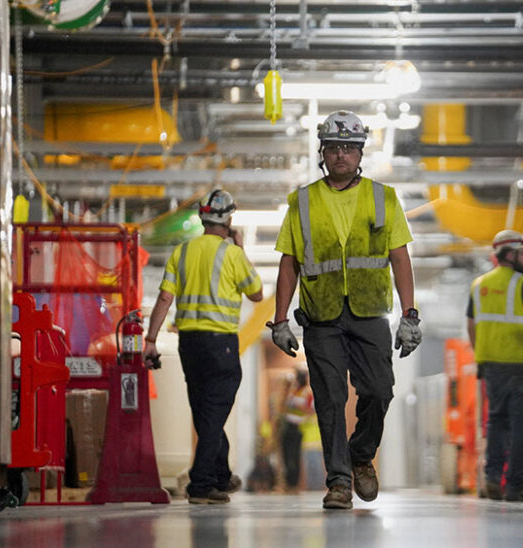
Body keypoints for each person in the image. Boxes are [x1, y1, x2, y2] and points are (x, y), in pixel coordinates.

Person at [266, 110, 422, 510]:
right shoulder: (302, 202)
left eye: (349, 149)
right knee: (330, 398)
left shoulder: (382, 197)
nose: (341, 156)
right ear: (323, 152)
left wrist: (409, 314)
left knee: (379, 391)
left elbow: (400, 257)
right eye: (333, 148)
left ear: (359, 154)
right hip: (322, 317)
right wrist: (281, 319)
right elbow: (289, 263)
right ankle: (338, 481)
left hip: (370, 314)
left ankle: (361, 454)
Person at [143, 189, 263, 504]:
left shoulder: (181, 253)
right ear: (229, 220)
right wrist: (241, 249)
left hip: (190, 345)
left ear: (202, 216)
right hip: (220, 344)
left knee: (205, 411)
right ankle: (201, 484)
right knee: (213, 412)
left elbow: (165, 298)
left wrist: (151, 340)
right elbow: (257, 293)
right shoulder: (232, 254)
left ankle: (221, 476)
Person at [466, 229, 523, 502]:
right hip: (518, 364)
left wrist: (480, 353)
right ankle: (515, 486)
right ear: (510, 254)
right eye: (522, 253)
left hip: (490, 365)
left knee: (496, 421)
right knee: (520, 426)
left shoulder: (478, 285)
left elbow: (471, 326)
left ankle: (493, 479)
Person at [279, 367, 314, 492]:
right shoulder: (292, 391)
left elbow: (311, 410)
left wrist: (299, 406)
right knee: (286, 454)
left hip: (298, 427)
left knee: (294, 456)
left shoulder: (307, 392)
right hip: (287, 425)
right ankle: (287, 483)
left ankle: (294, 484)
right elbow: (284, 406)